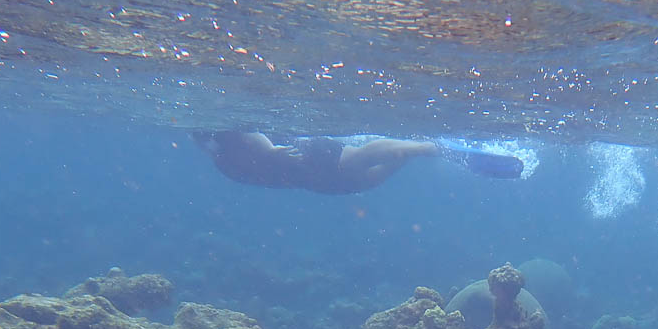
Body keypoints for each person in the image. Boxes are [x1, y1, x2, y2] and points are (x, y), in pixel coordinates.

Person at [193, 131, 522, 194]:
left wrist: (272, 153)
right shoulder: (223, 159)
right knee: (368, 178)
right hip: (310, 179)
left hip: (307, 164)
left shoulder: (225, 152)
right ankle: (423, 147)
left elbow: (254, 143)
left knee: (361, 163)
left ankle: (430, 147)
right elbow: (255, 148)